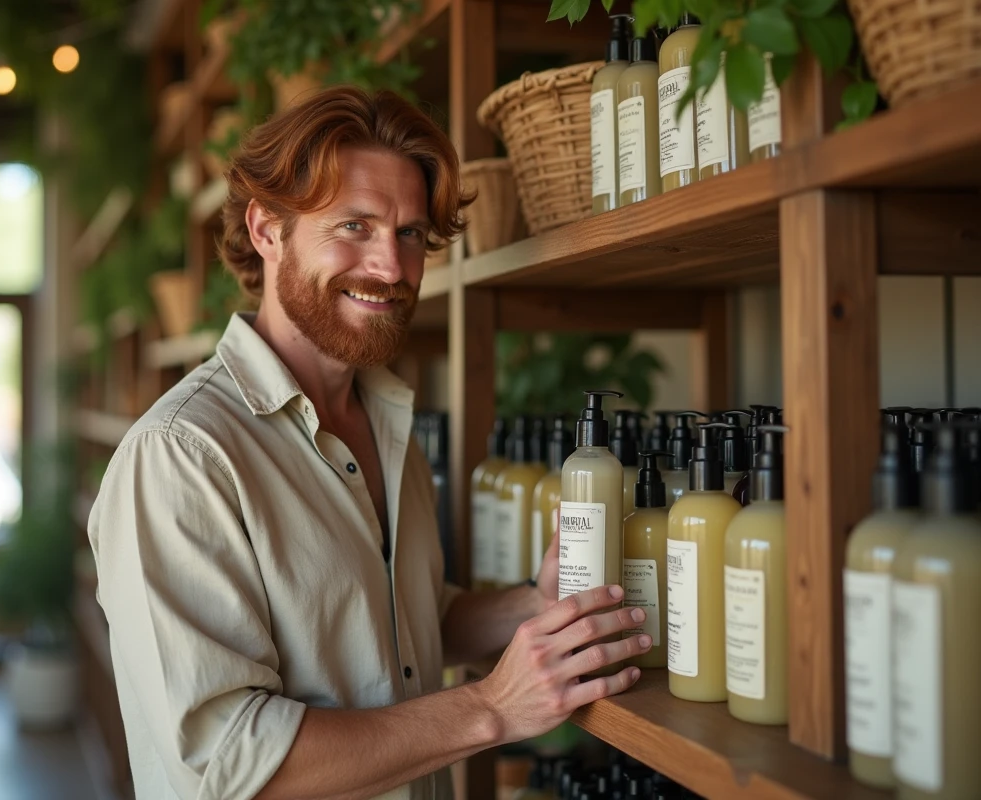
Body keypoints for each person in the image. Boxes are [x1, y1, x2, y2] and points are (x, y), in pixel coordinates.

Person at [88, 85, 650, 800]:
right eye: (354, 226)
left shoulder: (382, 420)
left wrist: (529, 608)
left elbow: (391, 630)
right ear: (267, 230)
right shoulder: (181, 455)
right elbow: (228, 761)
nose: (390, 267)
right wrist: (490, 708)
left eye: (410, 233)